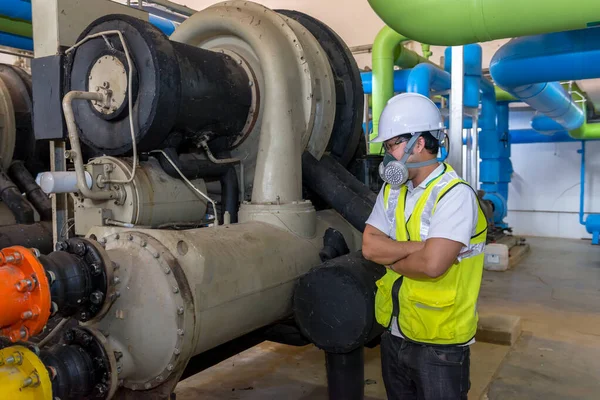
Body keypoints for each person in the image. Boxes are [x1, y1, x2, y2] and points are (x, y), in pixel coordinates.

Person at [362, 92, 488, 400]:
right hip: (395, 332)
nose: (388, 154)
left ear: (418, 143)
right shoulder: (393, 191)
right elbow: (369, 247)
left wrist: (391, 255)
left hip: (440, 342)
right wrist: (417, 247)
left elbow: (433, 266)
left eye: (391, 144)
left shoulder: (454, 195)